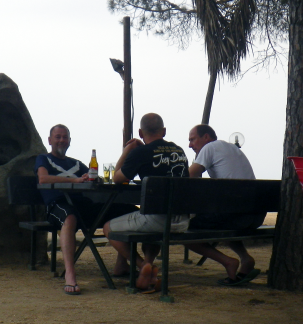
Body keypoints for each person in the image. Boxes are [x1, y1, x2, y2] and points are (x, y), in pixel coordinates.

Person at [34, 124, 135, 296]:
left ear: (70, 141)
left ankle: (122, 264)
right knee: (70, 217)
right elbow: (43, 179)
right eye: (58, 137)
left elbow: (93, 177)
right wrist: (75, 181)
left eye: (65, 137)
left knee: (127, 210)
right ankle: (70, 274)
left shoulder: (76, 163)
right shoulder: (43, 159)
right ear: (50, 140)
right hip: (57, 205)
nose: (61, 140)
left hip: (82, 205)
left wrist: (93, 179)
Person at [103, 113, 190, 292]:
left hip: (157, 219)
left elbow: (117, 178)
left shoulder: (140, 153)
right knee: (150, 225)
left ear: (140, 133)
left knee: (108, 228)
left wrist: (127, 150)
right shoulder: (179, 151)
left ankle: (142, 266)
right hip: (183, 220)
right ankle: (147, 268)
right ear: (164, 131)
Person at [186, 124, 264, 286]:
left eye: (192, 139)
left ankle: (228, 262)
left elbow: (189, 176)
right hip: (255, 215)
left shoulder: (209, 148)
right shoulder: (232, 148)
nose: (190, 145)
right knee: (222, 218)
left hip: (235, 215)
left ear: (206, 137)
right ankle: (245, 259)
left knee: (182, 230)